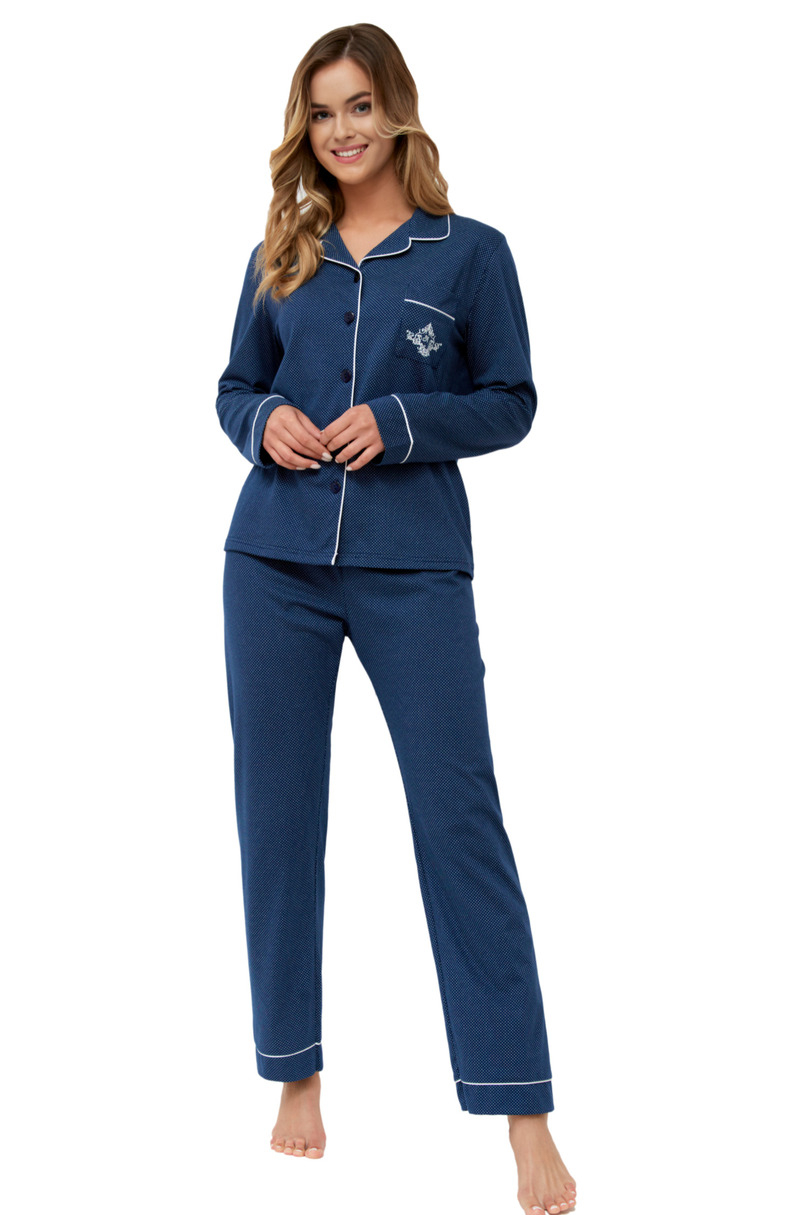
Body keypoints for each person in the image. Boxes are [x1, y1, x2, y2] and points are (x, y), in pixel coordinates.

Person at [216, 23, 577, 1215]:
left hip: (414, 565)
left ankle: (524, 1112)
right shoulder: (281, 252)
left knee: (460, 823)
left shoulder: (470, 254)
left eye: (359, 105)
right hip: (271, 560)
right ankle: (294, 1072)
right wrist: (261, 420)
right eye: (322, 112)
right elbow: (232, 385)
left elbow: (512, 400)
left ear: (398, 110)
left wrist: (405, 424)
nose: (342, 130)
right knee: (277, 820)